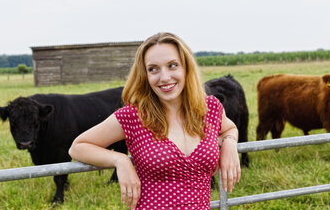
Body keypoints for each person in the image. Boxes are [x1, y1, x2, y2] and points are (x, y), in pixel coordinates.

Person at [69, 32, 241, 209]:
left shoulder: (210, 108)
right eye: (153, 69)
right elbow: (78, 146)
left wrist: (229, 144)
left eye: (172, 65)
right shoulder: (133, 116)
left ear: (186, 67)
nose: (164, 77)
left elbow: (229, 129)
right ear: (145, 75)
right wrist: (120, 160)